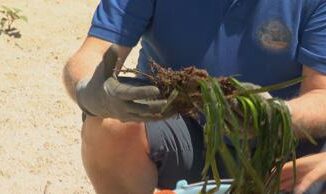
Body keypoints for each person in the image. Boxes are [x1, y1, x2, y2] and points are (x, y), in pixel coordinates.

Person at [63, 0, 326, 193]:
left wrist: (275, 116)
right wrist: (89, 91)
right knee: (108, 126)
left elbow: (321, 95)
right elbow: (90, 55)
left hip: (282, 150)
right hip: (186, 130)